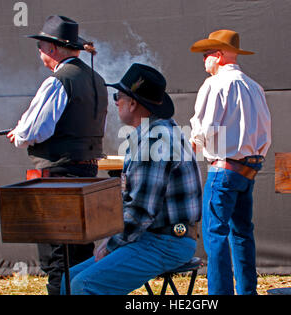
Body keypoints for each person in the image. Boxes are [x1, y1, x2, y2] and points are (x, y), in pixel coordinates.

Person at [60, 63, 202, 295]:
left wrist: (113, 244)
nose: (116, 102)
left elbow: (140, 211)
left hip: (165, 242)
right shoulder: (153, 133)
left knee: (83, 286)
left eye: (119, 96)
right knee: (69, 280)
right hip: (155, 237)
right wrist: (115, 240)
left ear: (133, 103)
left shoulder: (154, 140)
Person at [7, 15, 108, 295]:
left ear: (52, 48)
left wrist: (19, 133)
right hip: (85, 176)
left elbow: (33, 131)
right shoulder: (97, 80)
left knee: (58, 259)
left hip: (58, 180)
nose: (39, 52)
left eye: (41, 46)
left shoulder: (58, 81)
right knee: (80, 255)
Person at [189, 30, 272, 295]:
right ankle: (247, 292)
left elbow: (204, 130)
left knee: (216, 237)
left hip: (224, 170)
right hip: (248, 170)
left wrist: (188, 153)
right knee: (242, 234)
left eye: (206, 55)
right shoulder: (254, 86)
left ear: (219, 54)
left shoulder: (215, 85)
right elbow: (265, 135)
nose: (203, 61)